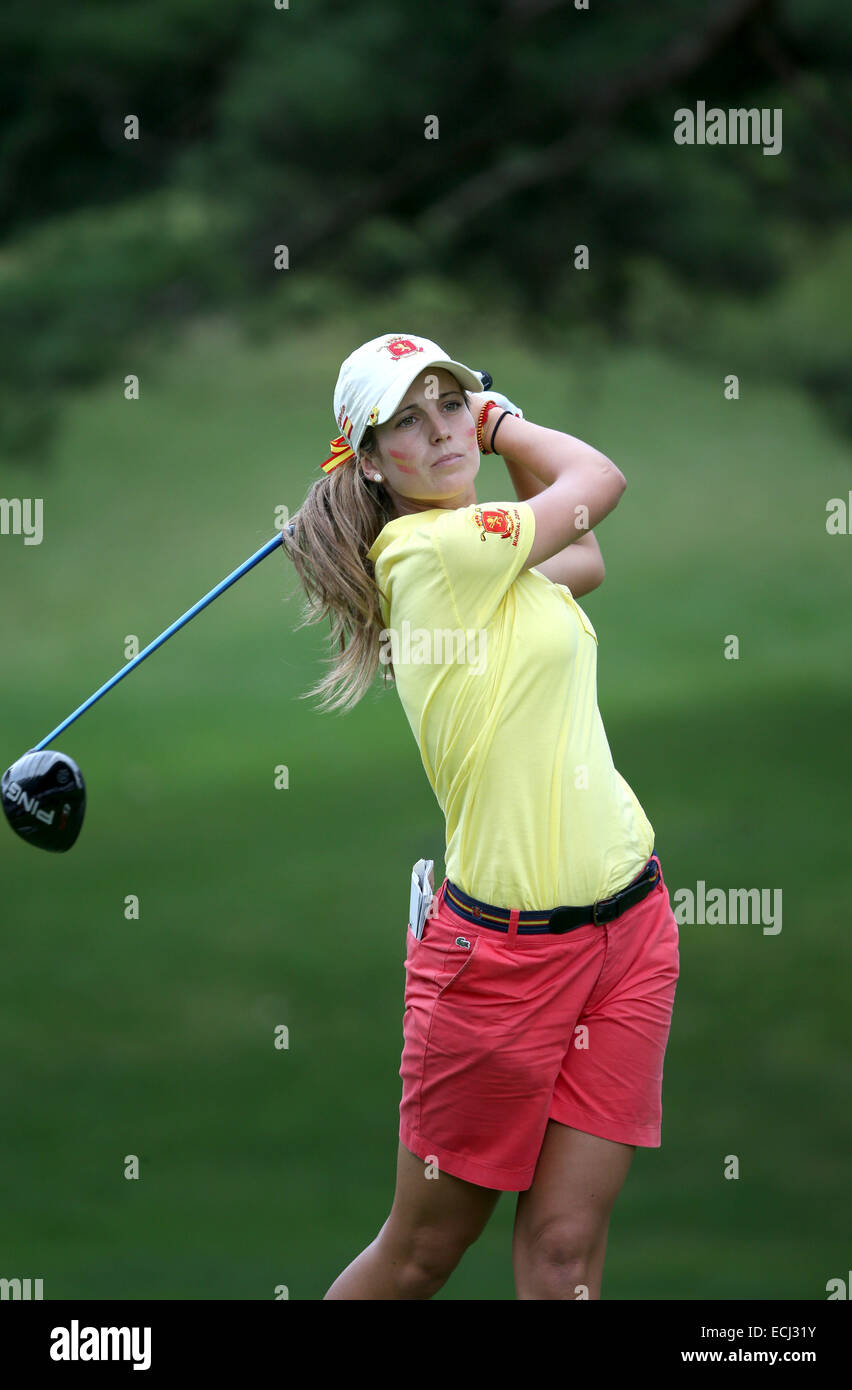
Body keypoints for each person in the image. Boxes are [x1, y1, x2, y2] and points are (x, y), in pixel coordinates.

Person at [282, 332, 680, 1300]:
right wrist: (502, 423)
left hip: (628, 929)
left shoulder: (492, 557)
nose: (441, 429)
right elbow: (598, 480)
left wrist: (480, 445)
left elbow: (579, 550)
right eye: (406, 420)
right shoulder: (429, 552)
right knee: (421, 1253)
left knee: (562, 1257)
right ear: (368, 460)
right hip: (501, 965)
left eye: (451, 404)